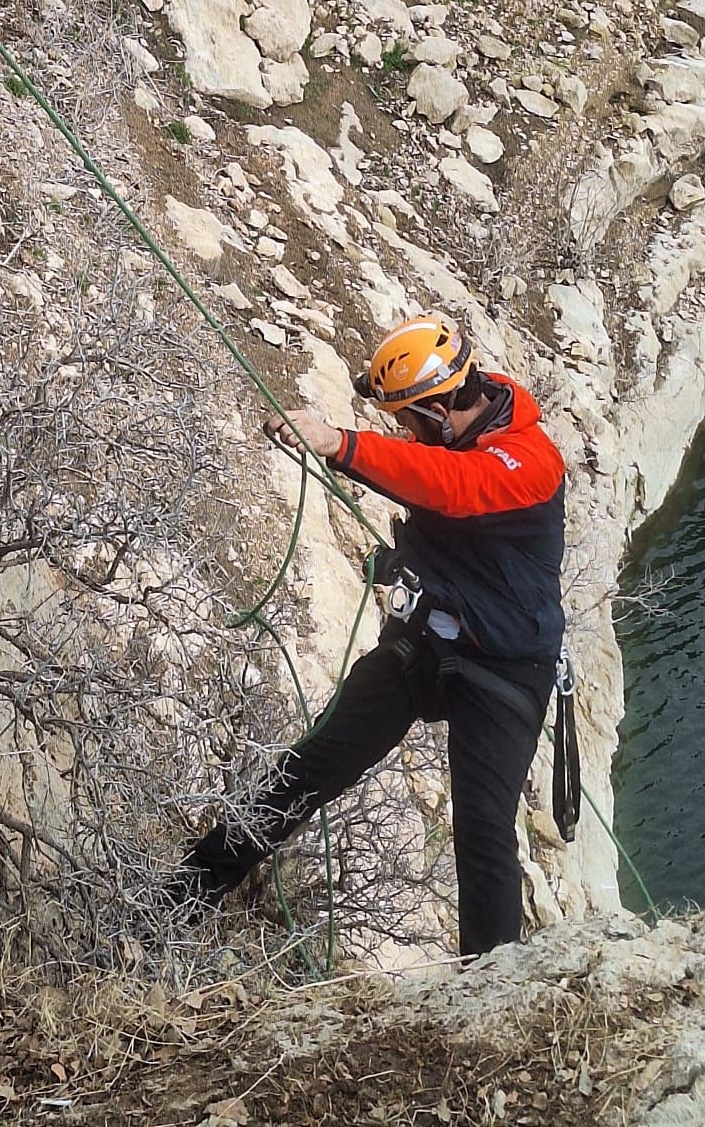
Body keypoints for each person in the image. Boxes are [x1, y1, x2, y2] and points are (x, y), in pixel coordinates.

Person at [176, 313, 567, 957]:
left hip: (504, 663)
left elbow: (449, 486)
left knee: (483, 833)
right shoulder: (465, 415)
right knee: (310, 768)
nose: (403, 433)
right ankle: (182, 895)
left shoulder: (528, 463)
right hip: (431, 640)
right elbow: (428, 473)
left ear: (442, 410)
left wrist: (340, 444)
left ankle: (491, 994)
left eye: (409, 421)